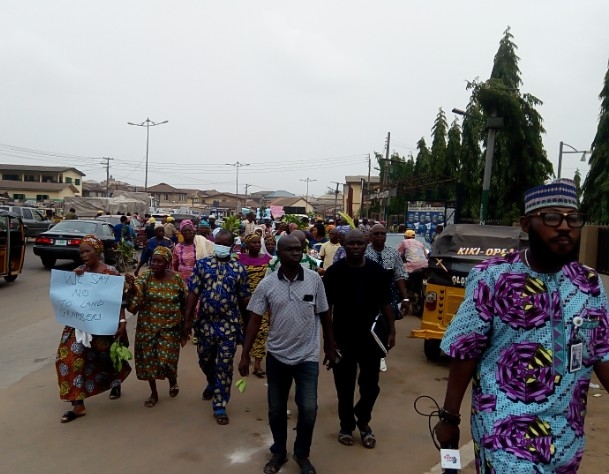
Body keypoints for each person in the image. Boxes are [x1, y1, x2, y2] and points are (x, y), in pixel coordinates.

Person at [434, 179, 609, 472]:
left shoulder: (589, 283)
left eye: (573, 219)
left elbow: (601, 351)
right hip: (505, 432)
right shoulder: (493, 277)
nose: (565, 226)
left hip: (567, 437)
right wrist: (449, 417)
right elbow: (466, 349)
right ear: (526, 224)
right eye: (552, 218)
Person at [239, 235, 335, 474]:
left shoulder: (314, 280)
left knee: (309, 409)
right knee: (276, 409)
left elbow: (325, 314)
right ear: (278, 254)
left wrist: (331, 347)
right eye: (289, 249)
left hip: (307, 357)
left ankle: (302, 454)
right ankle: (279, 452)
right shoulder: (267, 284)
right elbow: (254, 319)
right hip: (277, 356)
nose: (295, 253)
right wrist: (245, 354)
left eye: (298, 249)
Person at [323, 229, 395, 449]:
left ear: (366, 244)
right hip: (342, 337)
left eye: (359, 243)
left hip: (371, 338)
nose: (355, 247)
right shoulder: (334, 272)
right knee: (344, 387)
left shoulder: (377, 271)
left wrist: (392, 330)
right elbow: (326, 310)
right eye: (351, 243)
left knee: (371, 386)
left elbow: (385, 303)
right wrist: (329, 341)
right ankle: (346, 426)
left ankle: (363, 421)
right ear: (343, 245)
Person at [55, 234, 131, 423]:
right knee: (69, 359)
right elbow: (67, 298)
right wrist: (72, 281)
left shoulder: (110, 273)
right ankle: (77, 404)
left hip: (103, 325)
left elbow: (119, 301)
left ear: (97, 252)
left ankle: (115, 381)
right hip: (79, 325)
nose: (84, 255)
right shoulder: (78, 272)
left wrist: (122, 322)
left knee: (105, 357)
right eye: (81, 252)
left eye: (87, 251)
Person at [184, 229, 250, 425]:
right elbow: (193, 293)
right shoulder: (203, 265)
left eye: (225, 244)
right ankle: (212, 382)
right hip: (205, 323)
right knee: (205, 360)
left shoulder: (239, 269)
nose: (221, 247)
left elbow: (244, 300)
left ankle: (220, 404)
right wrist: (187, 320)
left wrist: (247, 327)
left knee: (224, 364)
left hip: (229, 324)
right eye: (218, 243)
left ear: (232, 246)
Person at [126, 246, 186, 407]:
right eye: (154, 261)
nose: (156, 264)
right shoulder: (145, 277)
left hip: (170, 327)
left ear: (167, 263)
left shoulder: (177, 279)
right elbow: (135, 299)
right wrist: (131, 287)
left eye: (160, 261)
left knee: (166, 360)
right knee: (149, 361)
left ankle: (172, 380)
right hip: (148, 327)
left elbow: (185, 301)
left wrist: (187, 324)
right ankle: (153, 393)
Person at [237, 233, 272, 377]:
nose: (257, 245)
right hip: (244, 300)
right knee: (246, 329)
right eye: (253, 242)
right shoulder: (239, 259)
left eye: (259, 242)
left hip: (263, 300)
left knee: (262, 330)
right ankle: (247, 356)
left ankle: (258, 363)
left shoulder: (268, 260)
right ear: (246, 244)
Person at [365, 224, 409, 321]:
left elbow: (399, 275)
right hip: (368, 296)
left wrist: (405, 298)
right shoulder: (364, 252)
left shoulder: (393, 252)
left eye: (382, 234)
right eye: (376, 234)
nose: (379, 236)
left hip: (389, 296)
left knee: (388, 324)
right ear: (371, 236)